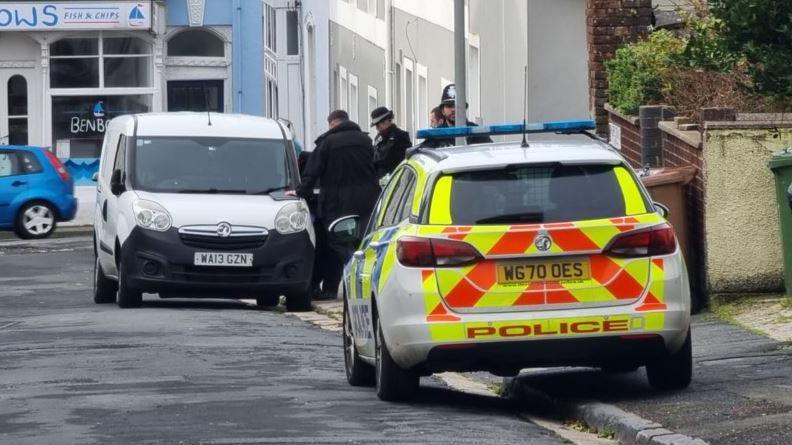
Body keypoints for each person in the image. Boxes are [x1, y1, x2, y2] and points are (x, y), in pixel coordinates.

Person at [296, 110, 380, 300]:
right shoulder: (366, 141)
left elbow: (312, 171)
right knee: (363, 242)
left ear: (332, 124)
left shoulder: (327, 143)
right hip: (367, 201)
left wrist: (300, 191)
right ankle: (359, 283)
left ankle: (332, 287)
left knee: (335, 242)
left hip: (337, 201)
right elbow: (377, 167)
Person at [423, 83, 493, 148]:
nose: (453, 109)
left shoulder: (477, 133)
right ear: (442, 111)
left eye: (457, 105)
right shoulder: (435, 136)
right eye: (449, 106)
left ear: (464, 109)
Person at [370, 106, 412, 179]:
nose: (377, 128)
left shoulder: (400, 136)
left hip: (395, 178)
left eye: (378, 125)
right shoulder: (379, 137)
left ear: (386, 121)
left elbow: (384, 157)